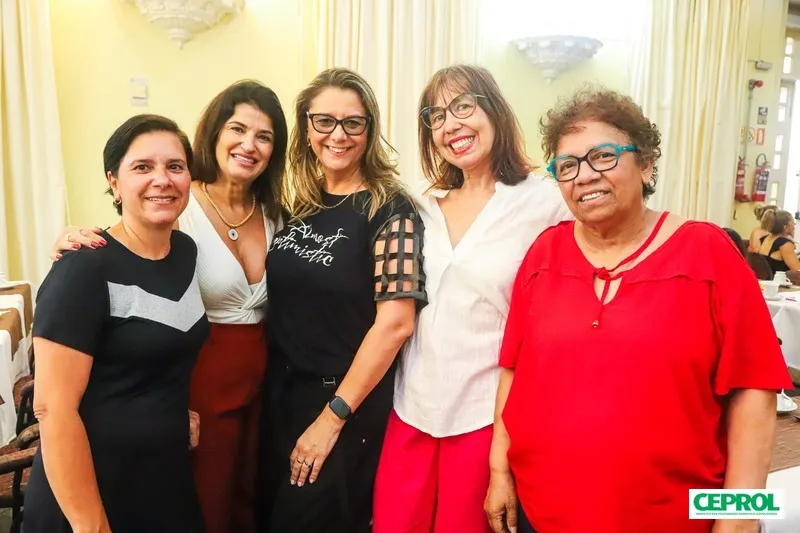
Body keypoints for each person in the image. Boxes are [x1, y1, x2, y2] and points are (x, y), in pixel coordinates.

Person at [488, 86, 793, 533]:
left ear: (646, 163)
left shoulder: (708, 252)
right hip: (542, 512)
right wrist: (499, 472)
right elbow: (513, 372)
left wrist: (741, 515)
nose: (584, 176)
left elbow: (755, 392)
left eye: (603, 156)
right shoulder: (543, 253)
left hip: (674, 518)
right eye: (567, 165)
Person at [47, 80, 288, 533]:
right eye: (237, 129)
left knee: (250, 498)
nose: (249, 145)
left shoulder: (277, 211)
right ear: (215, 133)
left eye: (264, 136)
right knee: (206, 500)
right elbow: (133, 242)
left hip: (262, 381)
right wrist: (72, 239)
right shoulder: (181, 200)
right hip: (199, 375)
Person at [372, 64, 569, 533]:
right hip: (410, 407)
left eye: (463, 106)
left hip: (485, 417)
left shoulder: (545, 201)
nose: (451, 125)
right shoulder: (421, 205)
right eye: (436, 116)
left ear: (494, 110)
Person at [261, 67, 427, 533]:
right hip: (281, 396)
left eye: (353, 123)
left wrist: (333, 417)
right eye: (324, 121)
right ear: (306, 127)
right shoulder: (301, 203)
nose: (338, 135)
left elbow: (396, 323)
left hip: (341, 403)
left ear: (369, 130)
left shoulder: (389, 208)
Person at [27, 115, 208, 533]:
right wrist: (90, 526)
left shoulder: (185, 252)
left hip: (164, 480)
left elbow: (156, 351)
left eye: (175, 166)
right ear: (114, 182)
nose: (162, 179)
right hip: (91, 489)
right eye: (142, 167)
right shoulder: (83, 267)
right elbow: (52, 409)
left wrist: (172, 412)